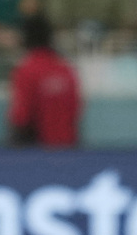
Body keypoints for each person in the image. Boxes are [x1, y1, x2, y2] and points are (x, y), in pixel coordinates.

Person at [7, 13, 82, 147]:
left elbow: (21, 118)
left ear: (25, 38)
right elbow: (76, 110)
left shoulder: (27, 70)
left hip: (40, 152)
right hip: (70, 147)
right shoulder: (66, 69)